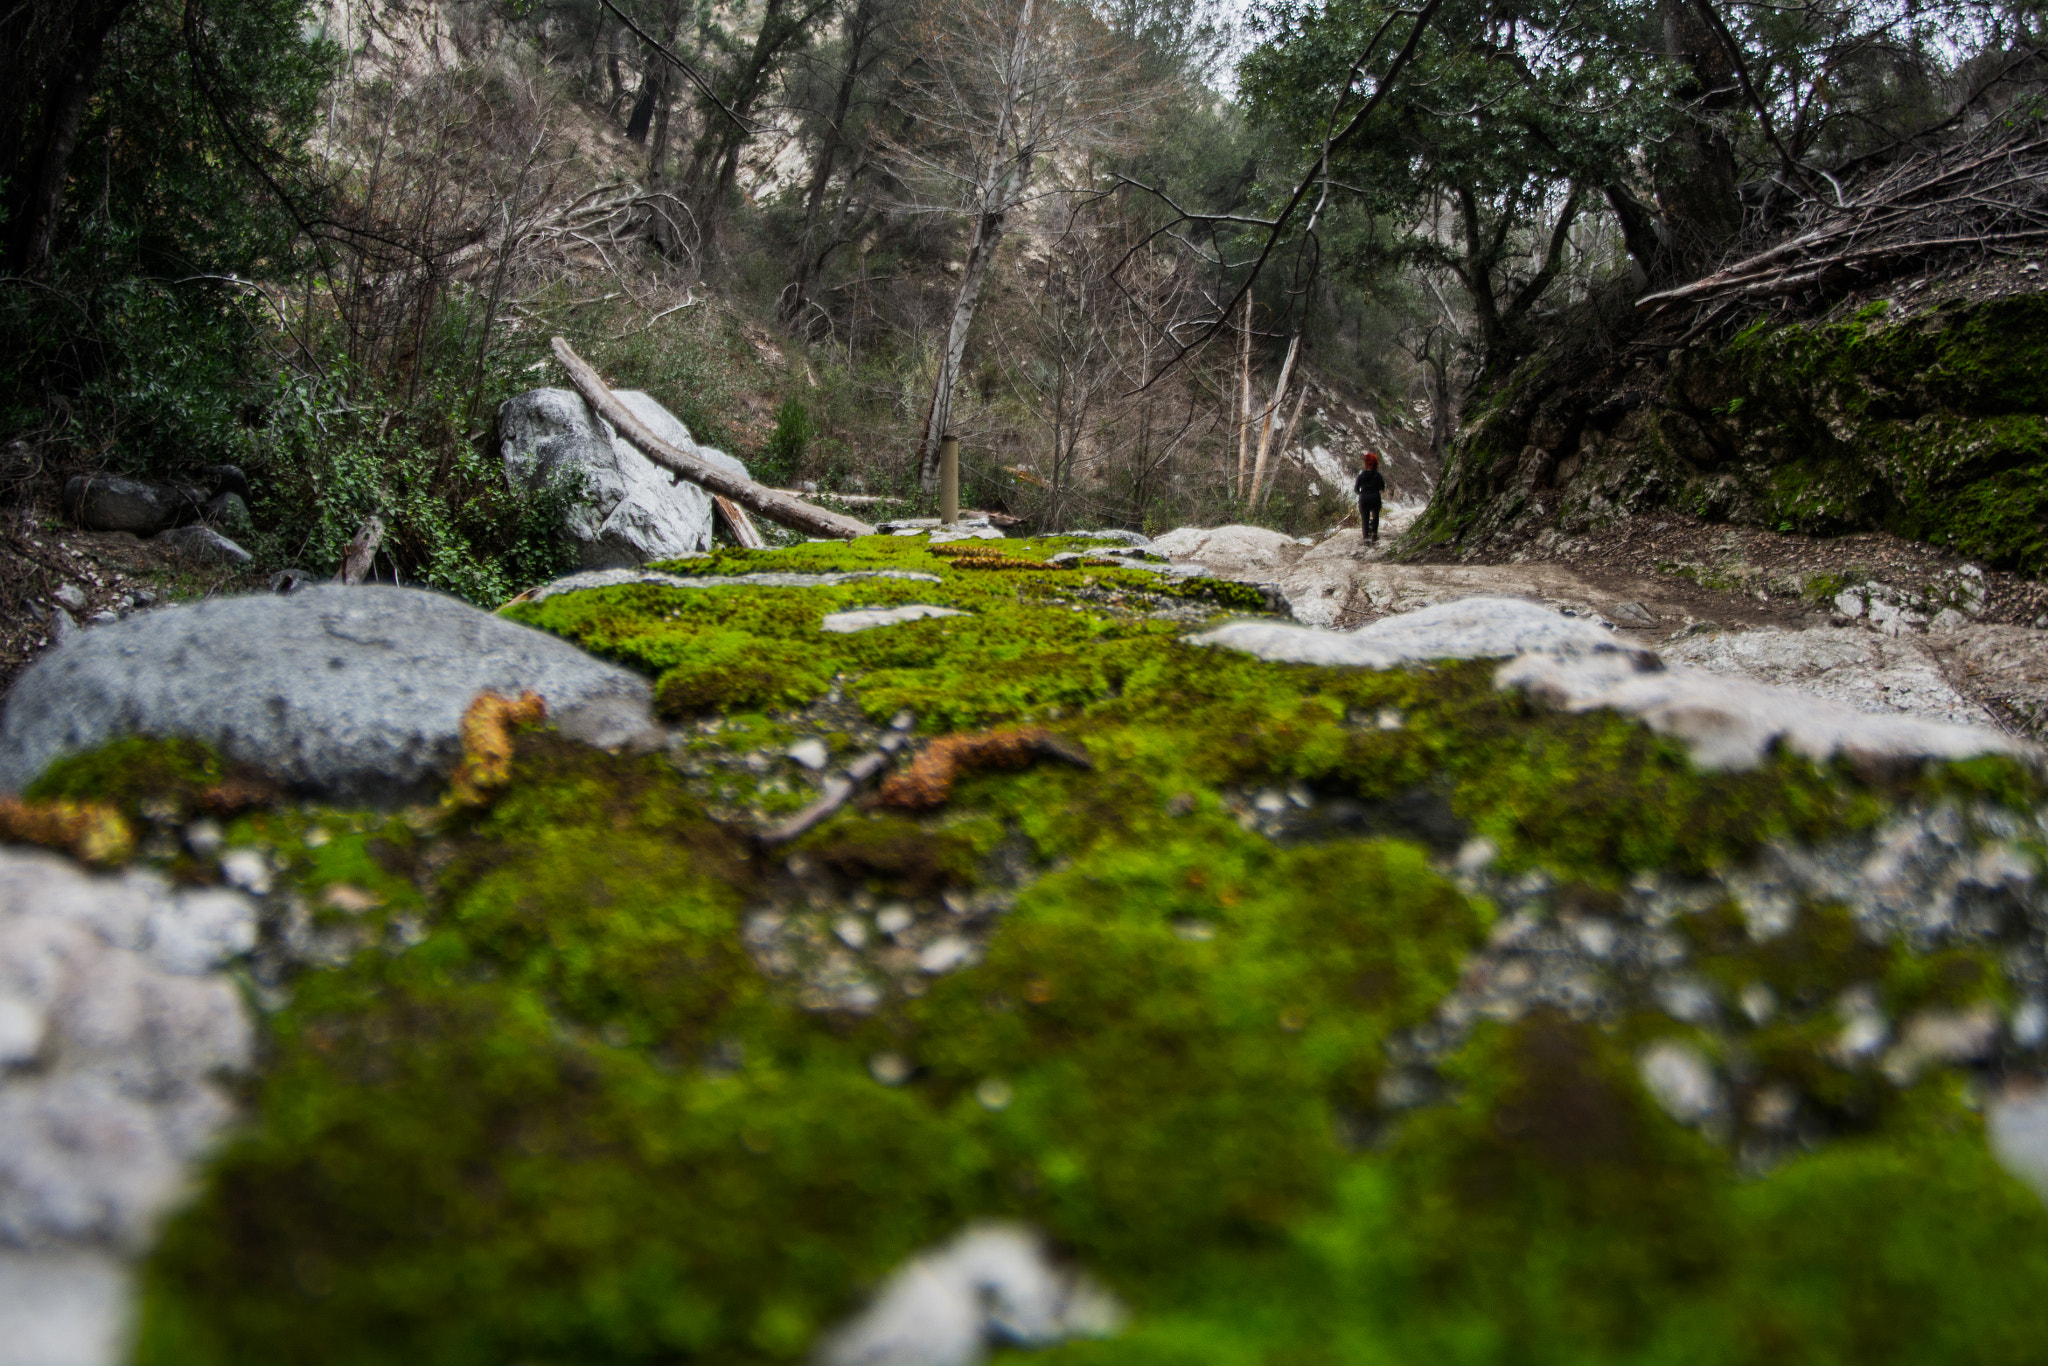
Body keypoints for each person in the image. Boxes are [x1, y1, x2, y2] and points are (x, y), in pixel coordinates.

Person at [1354, 451, 1385, 542]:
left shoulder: (1362, 475)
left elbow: (1356, 489)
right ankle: (1374, 533)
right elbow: (1382, 487)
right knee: (1375, 515)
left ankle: (1366, 537)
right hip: (1375, 497)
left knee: (1365, 518)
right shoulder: (1377, 475)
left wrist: (1362, 493)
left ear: (1366, 464)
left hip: (1364, 498)